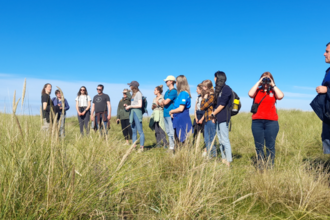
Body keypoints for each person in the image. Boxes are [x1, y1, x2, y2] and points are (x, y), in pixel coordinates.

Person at [248, 72, 284, 170]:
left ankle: (270, 166)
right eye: (264, 79)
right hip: (257, 121)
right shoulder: (257, 91)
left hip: (271, 122)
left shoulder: (273, 91)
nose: (266, 82)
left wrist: (273, 85)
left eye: (268, 79)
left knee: (270, 146)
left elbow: (281, 96)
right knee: (259, 145)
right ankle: (260, 166)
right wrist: (259, 82)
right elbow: (250, 94)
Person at [312, 42, 330, 154]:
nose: (324, 54)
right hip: (328, 116)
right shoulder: (328, 71)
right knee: (327, 146)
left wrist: (327, 90)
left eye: (327, 51)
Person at [212, 71, 233, 167]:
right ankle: (223, 158)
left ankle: (228, 161)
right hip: (217, 118)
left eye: (215, 77)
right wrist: (214, 116)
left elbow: (222, 104)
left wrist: (213, 114)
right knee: (220, 139)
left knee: (225, 139)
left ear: (218, 78)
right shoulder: (217, 90)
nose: (214, 79)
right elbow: (215, 104)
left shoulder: (226, 89)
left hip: (224, 117)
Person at [169, 75, 193, 147]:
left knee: (181, 137)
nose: (175, 83)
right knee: (177, 137)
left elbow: (181, 108)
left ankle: (181, 153)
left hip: (181, 118)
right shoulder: (180, 93)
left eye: (176, 82)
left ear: (180, 83)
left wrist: (171, 111)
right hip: (177, 117)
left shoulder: (184, 93)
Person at [125, 81, 145, 152]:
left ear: (134, 86)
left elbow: (140, 105)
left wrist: (130, 106)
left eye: (130, 85)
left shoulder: (139, 94)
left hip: (137, 113)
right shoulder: (133, 94)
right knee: (133, 131)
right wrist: (128, 106)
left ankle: (141, 147)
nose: (129, 87)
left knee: (140, 131)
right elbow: (134, 104)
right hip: (132, 113)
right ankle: (133, 146)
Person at [161, 75, 177, 152]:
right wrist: (163, 102)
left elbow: (165, 102)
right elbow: (162, 103)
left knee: (171, 131)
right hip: (165, 113)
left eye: (167, 81)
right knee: (168, 131)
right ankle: (171, 146)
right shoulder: (167, 91)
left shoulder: (174, 91)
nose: (165, 82)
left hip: (171, 114)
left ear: (171, 81)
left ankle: (173, 147)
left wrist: (163, 102)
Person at [200, 80, 216, 158]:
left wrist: (204, 98)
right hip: (207, 119)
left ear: (207, 87)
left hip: (210, 119)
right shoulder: (209, 96)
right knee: (207, 138)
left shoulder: (212, 97)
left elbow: (202, 107)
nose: (202, 88)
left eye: (204, 86)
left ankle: (213, 155)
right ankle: (210, 154)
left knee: (211, 138)